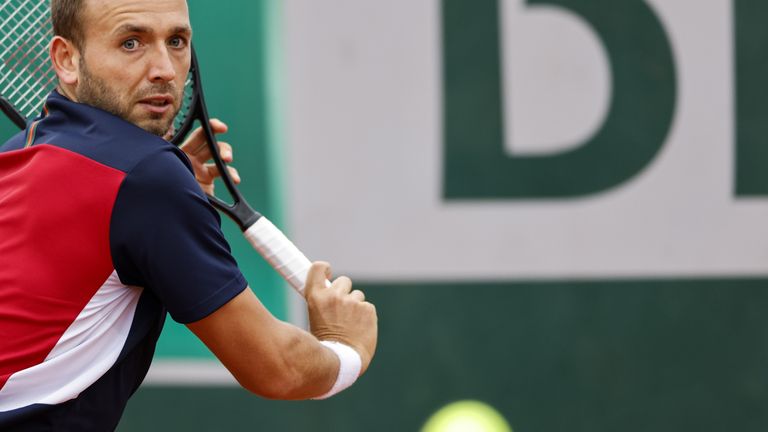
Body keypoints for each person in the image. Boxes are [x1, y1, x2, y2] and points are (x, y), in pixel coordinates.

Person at [0, 0, 378, 430]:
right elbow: (279, 368)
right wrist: (347, 349)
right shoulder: (147, 180)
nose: (164, 68)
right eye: (131, 43)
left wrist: (177, 200)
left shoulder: (17, 155)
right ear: (67, 60)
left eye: (176, 41)